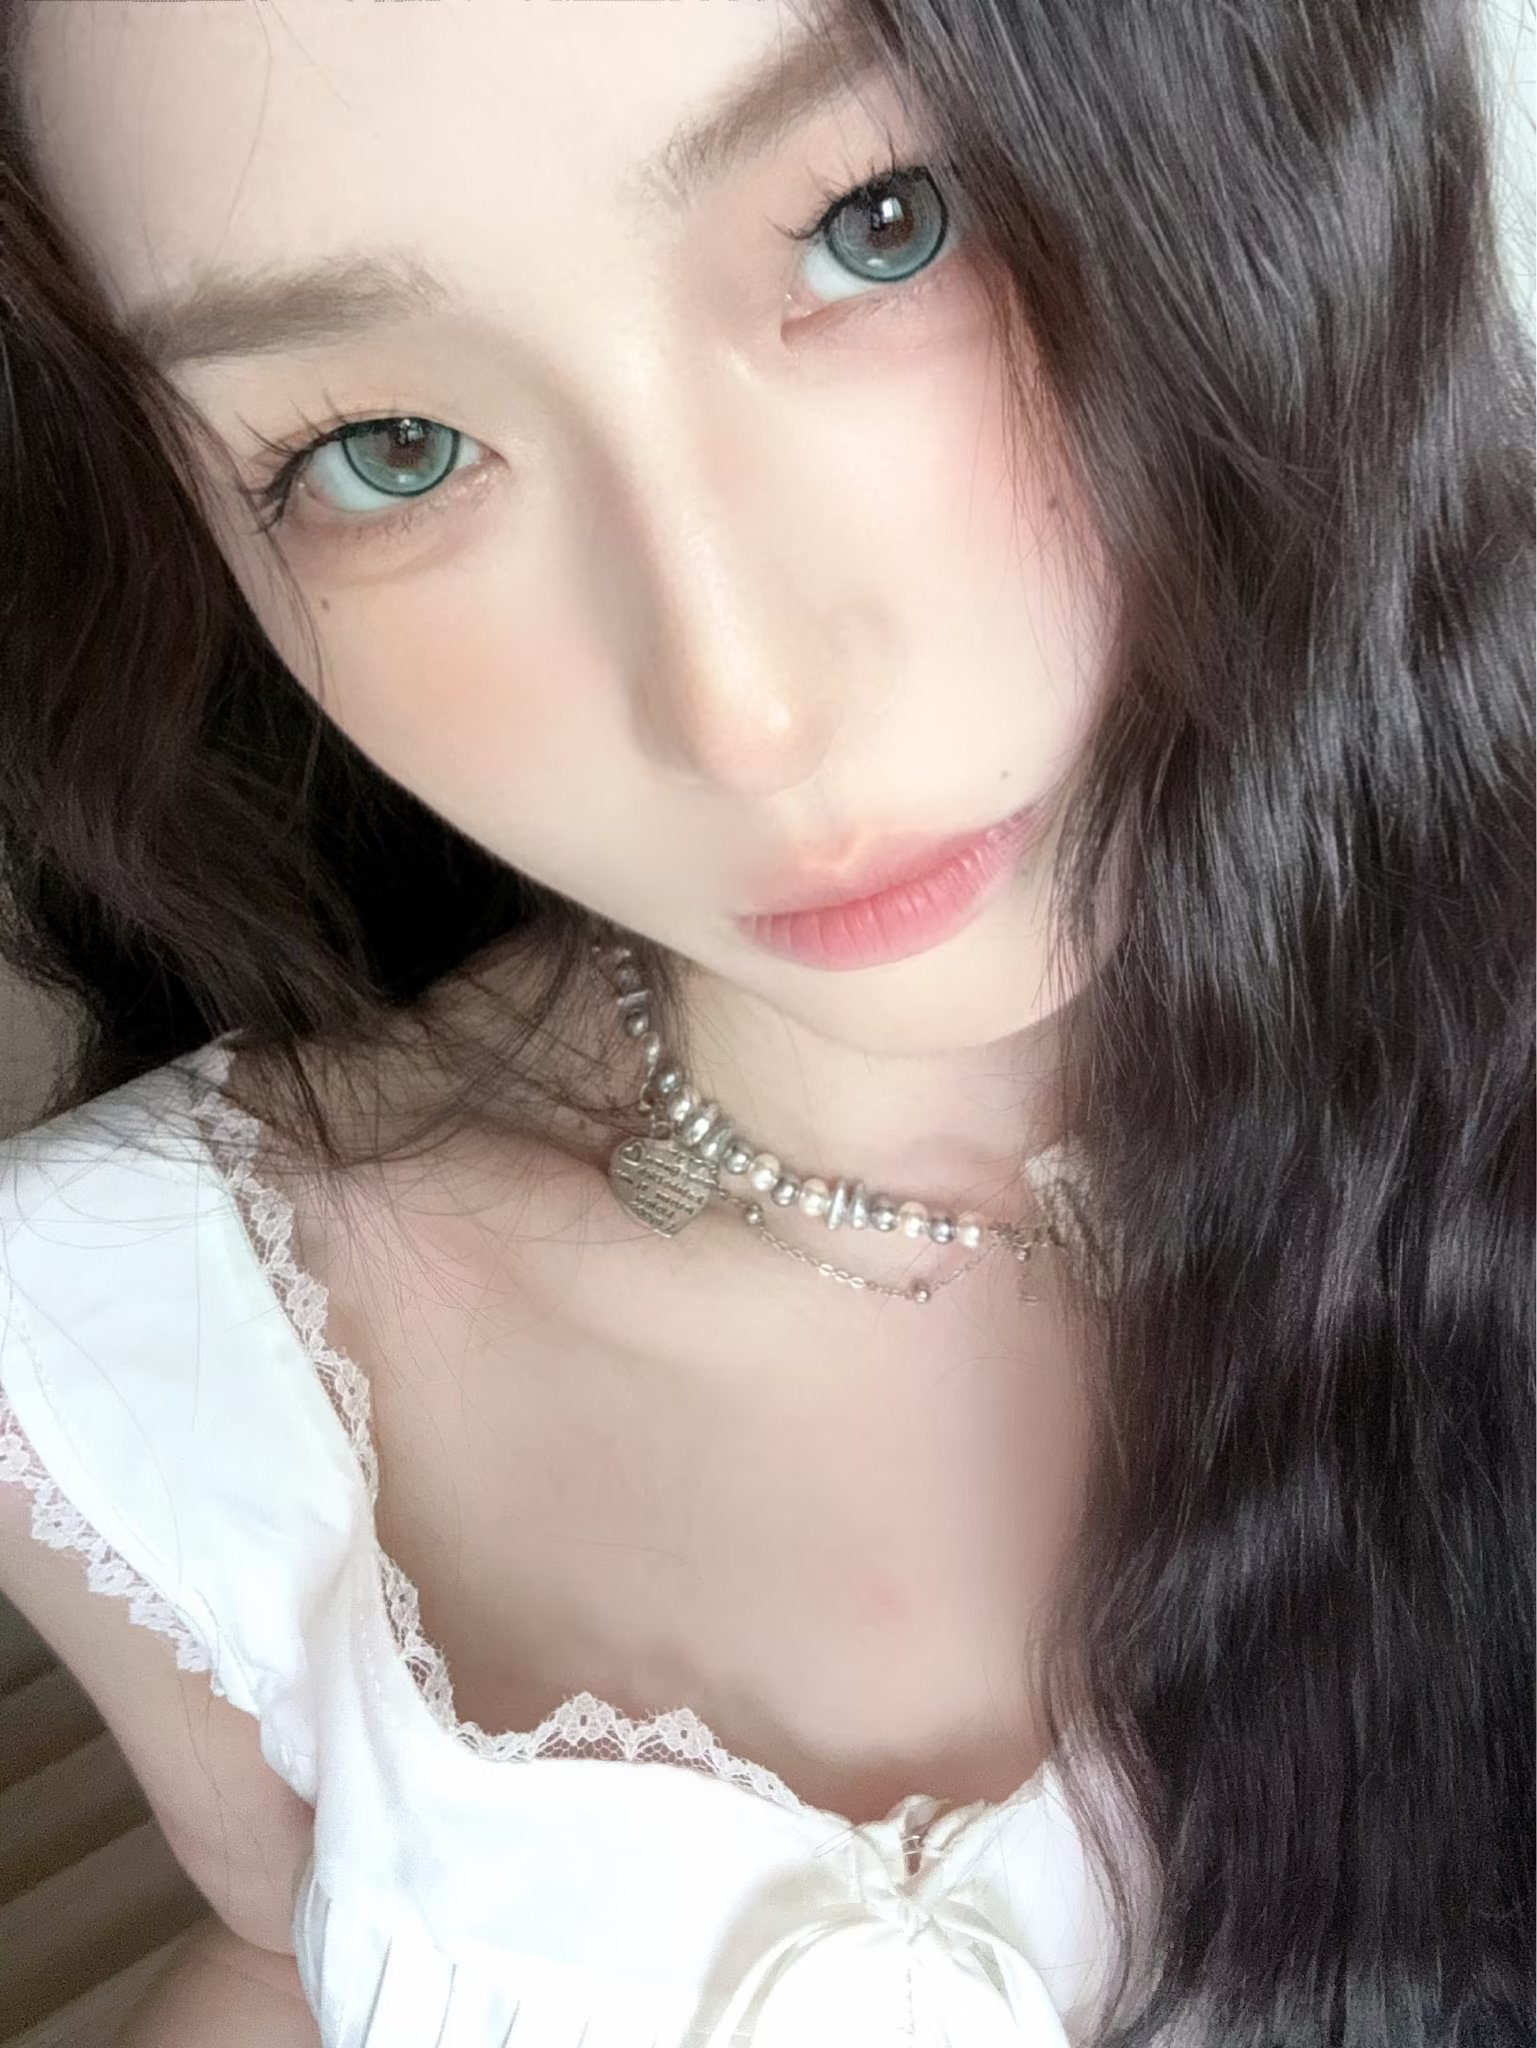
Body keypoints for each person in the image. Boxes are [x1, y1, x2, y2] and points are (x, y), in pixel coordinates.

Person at [0, 1, 1529, 2043]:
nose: (744, 709)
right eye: (388, 449)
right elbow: (288, 1947)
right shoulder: (155, 1339)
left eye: (883, 223)